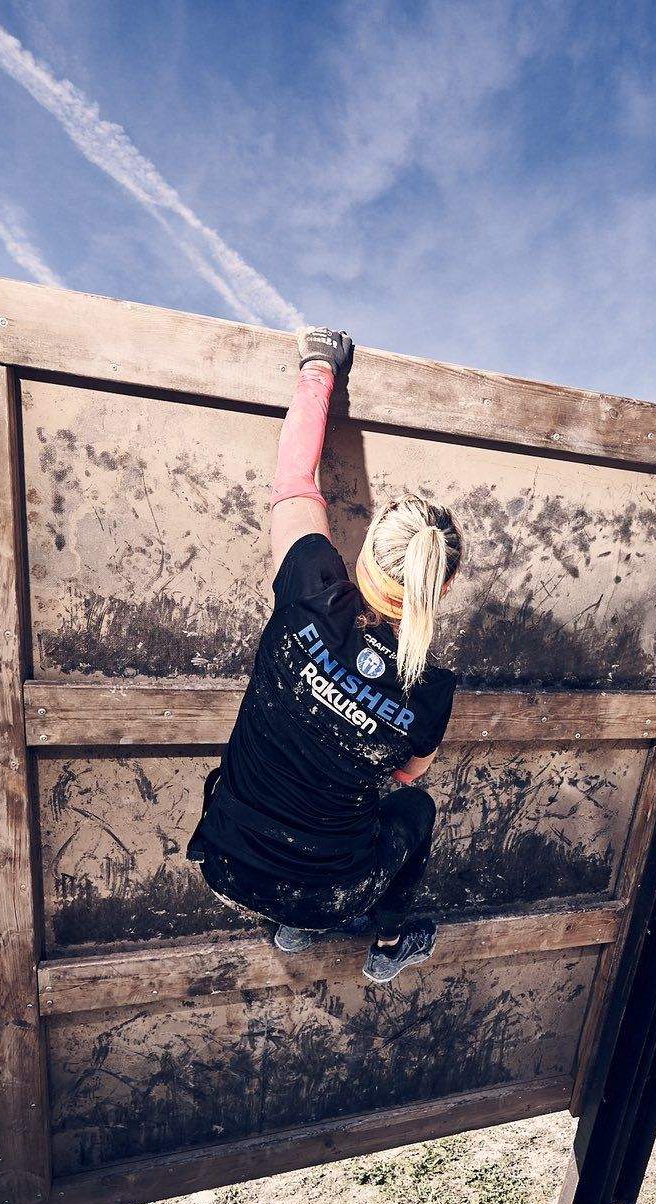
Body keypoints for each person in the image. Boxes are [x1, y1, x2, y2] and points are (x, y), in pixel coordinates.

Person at [186, 327, 464, 984]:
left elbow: (293, 477)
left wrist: (319, 366)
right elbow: (405, 779)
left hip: (227, 864)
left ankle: (290, 922)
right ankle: (387, 940)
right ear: (441, 590)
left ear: (365, 551)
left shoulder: (309, 582)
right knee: (414, 813)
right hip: (333, 893)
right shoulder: (429, 692)